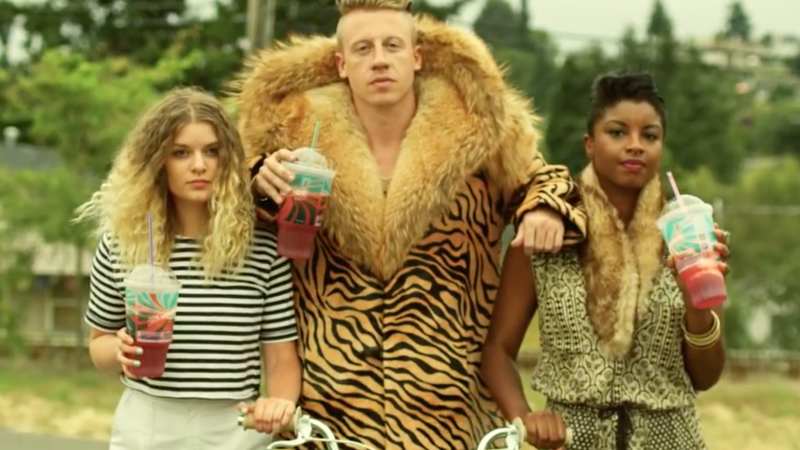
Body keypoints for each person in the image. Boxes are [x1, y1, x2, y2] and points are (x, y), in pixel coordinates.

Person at [228, 0, 589, 448]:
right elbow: (226, 213)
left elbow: (548, 181)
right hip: (332, 415)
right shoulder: (291, 133)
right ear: (341, 64)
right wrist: (257, 182)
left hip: (449, 410)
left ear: (416, 57)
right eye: (363, 48)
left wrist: (543, 208)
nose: (379, 59)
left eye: (392, 46)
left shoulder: (479, 131)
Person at [481, 71, 732, 450]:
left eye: (650, 136)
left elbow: (705, 377)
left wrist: (697, 303)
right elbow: (497, 350)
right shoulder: (546, 234)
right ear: (590, 144)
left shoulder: (688, 236)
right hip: (573, 441)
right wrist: (526, 416)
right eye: (617, 132)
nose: (635, 146)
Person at [74, 87, 302, 450]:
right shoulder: (122, 245)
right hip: (147, 427)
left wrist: (279, 403)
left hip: (236, 430)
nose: (199, 165)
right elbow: (98, 343)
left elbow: (280, 356)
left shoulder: (263, 248)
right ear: (157, 161)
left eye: (212, 151)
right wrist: (118, 350)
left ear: (229, 158)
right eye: (181, 153)